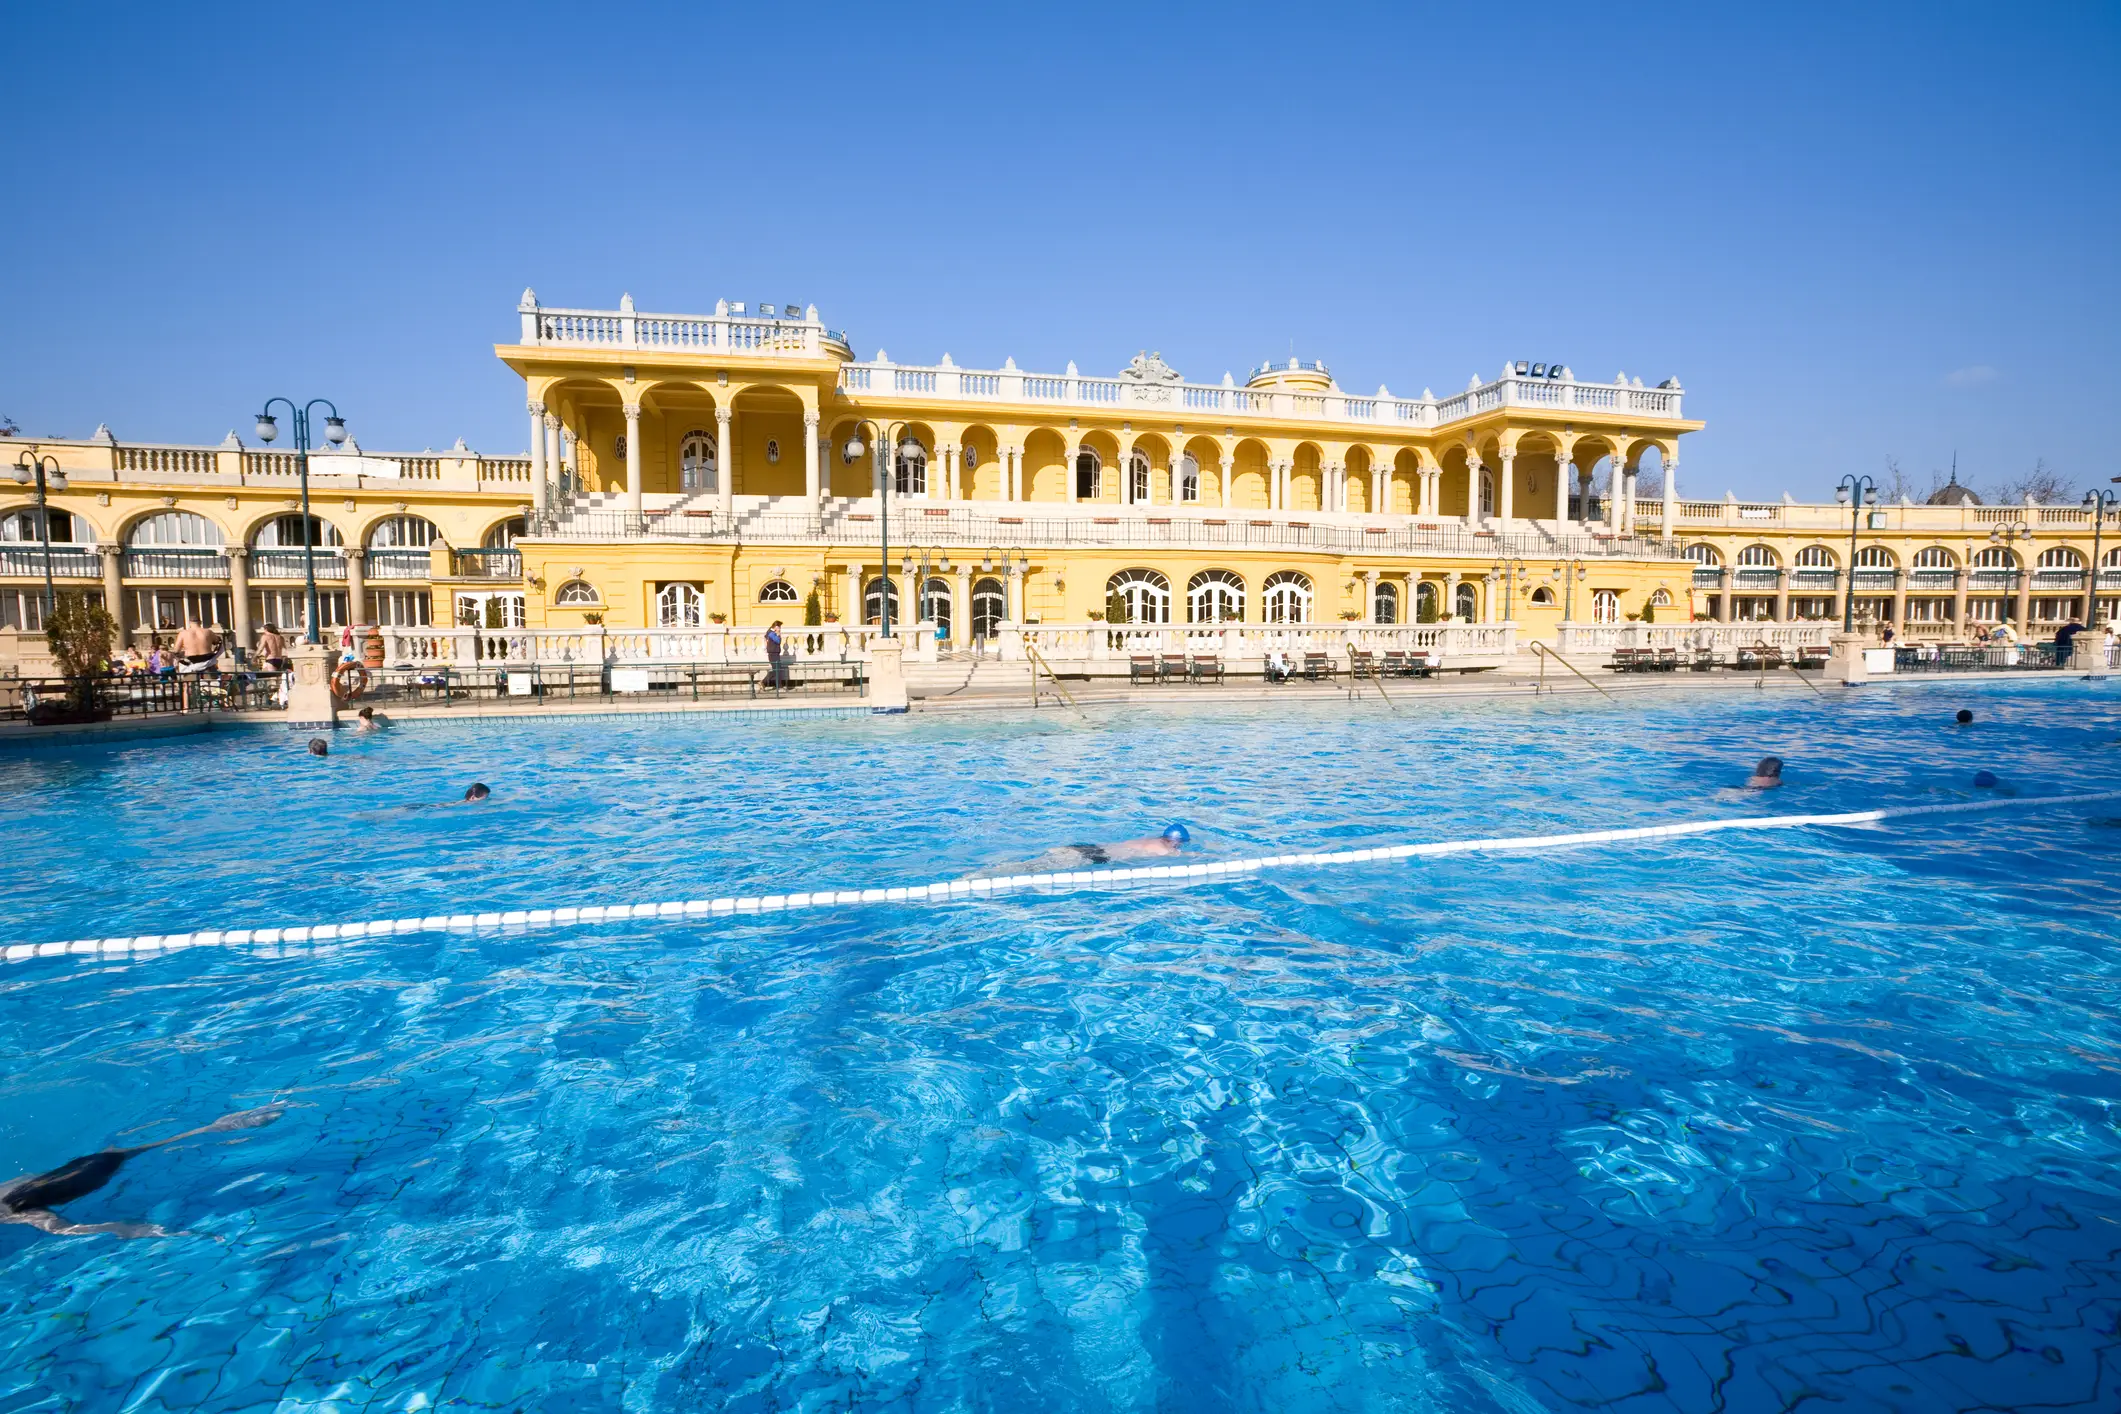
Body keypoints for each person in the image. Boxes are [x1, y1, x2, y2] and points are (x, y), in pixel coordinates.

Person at [1, 1105, 282, 1238]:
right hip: (86, 1162)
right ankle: (229, 1123)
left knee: (174, 1142)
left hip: (100, 1171)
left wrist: (142, 1231)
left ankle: (228, 1126)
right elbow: (29, 1178)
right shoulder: (6, 1193)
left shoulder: (22, 1214)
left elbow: (71, 1229)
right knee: (169, 1141)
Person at [764, 619, 788, 690]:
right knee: (776, 670)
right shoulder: (771, 633)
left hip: (774, 653)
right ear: (776, 626)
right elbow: (778, 641)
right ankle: (763, 682)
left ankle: (779, 686)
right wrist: (778, 634)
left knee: (777, 670)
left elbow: (766, 637)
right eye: (779, 627)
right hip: (773, 654)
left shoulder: (770, 632)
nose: (780, 628)